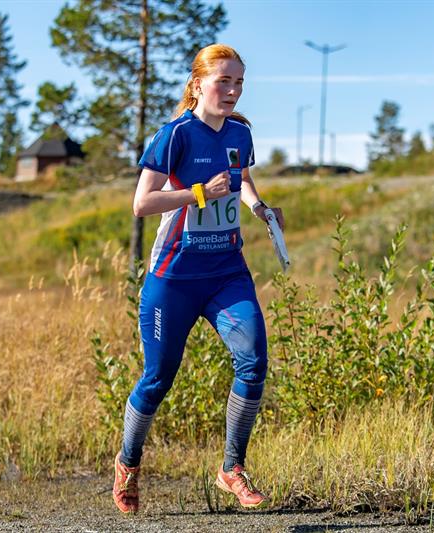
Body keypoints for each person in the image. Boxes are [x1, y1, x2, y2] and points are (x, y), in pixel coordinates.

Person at [112, 43, 285, 514]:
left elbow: (242, 179)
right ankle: (127, 462)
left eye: (239, 83)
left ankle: (232, 468)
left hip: (227, 271)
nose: (232, 91)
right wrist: (196, 194)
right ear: (197, 85)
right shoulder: (175, 135)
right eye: (223, 81)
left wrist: (260, 209)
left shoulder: (240, 133)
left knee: (253, 361)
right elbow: (141, 204)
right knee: (159, 377)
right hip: (175, 278)